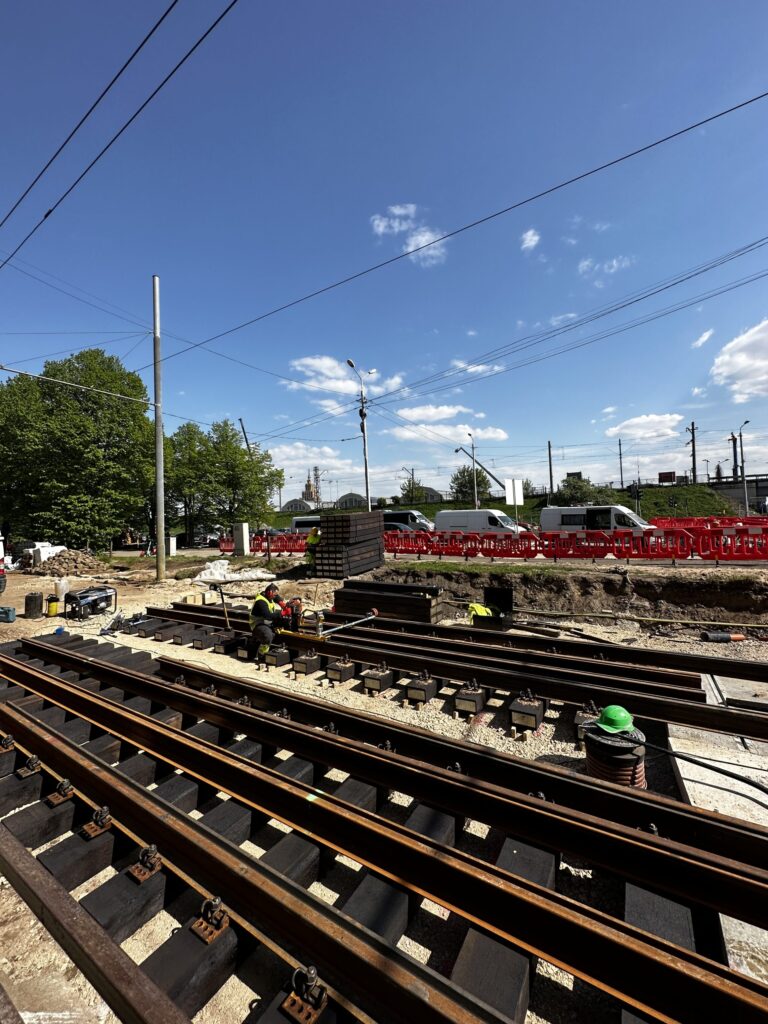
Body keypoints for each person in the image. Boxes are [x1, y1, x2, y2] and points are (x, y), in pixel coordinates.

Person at [248, 582, 287, 660]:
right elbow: (268, 616)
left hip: (266, 622)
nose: (275, 596)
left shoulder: (269, 596)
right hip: (257, 624)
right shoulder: (260, 601)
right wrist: (283, 612)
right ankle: (261, 654)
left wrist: (282, 603)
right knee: (268, 636)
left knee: (284, 621)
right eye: (274, 594)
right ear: (269, 592)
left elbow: (277, 597)